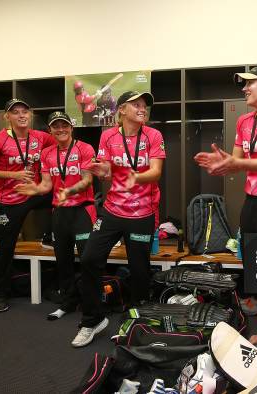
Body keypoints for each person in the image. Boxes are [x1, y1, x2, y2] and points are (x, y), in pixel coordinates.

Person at [194, 66, 257, 343]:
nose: (244, 88)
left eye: (250, 83)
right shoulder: (244, 121)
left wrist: (237, 163)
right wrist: (223, 164)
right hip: (251, 204)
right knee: (256, 274)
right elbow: (237, 162)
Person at [71, 91, 165, 347]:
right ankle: (92, 320)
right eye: (136, 104)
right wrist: (102, 171)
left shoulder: (153, 135)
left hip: (143, 213)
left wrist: (129, 174)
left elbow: (155, 172)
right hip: (112, 211)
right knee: (89, 258)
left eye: (145, 105)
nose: (142, 108)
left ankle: (137, 322)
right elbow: (106, 170)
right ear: (122, 110)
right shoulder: (108, 136)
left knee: (139, 269)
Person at [14, 111, 96, 320]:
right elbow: (47, 185)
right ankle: (68, 302)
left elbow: (87, 180)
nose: (61, 129)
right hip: (59, 212)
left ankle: (92, 304)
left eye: (64, 125)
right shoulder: (47, 153)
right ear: (50, 130)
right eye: (56, 126)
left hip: (82, 210)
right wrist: (36, 190)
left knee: (88, 259)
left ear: (71, 127)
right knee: (63, 260)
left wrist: (69, 191)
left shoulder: (85, 148)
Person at [0, 99, 56, 313]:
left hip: (35, 192)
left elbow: (60, 149)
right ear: (7, 117)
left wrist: (46, 180)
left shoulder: (42, 137)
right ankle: (1, 293)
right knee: (5, 248)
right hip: (9, 199)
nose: (21, 115)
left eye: (25, 112)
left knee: (67, 200)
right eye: (16, 112)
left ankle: (54, 240)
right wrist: (14, 174)